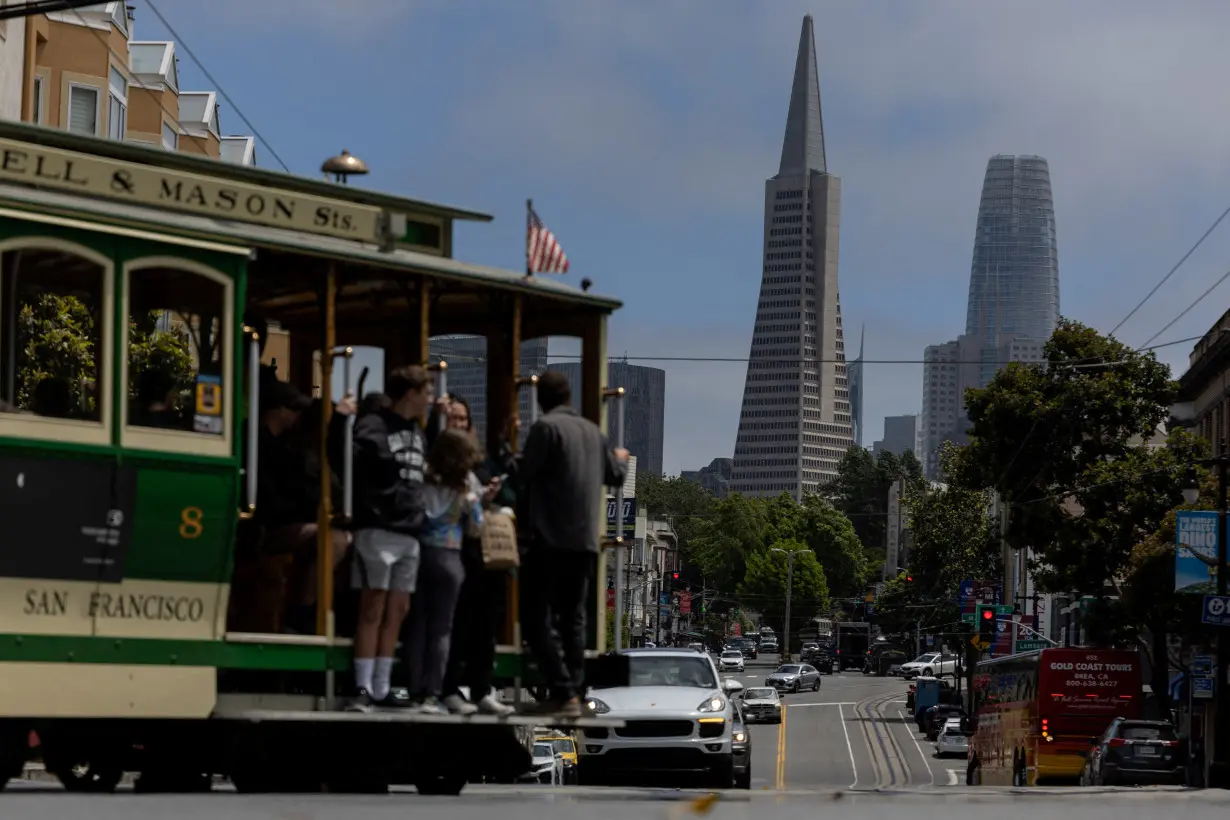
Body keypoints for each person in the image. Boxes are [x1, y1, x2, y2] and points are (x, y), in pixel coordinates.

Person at [516, 370, 629, 716]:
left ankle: (563, 689)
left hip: (549, 541)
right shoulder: (594, 433)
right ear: (569, 398)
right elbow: (616, 476)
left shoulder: (545, 429)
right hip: (584, 544)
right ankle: (576, 692)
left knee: (534, 617)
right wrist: (621, 458)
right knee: (573, 619)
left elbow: (523, 476)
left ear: (541, 400)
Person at [347, 365, 433, 711]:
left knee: (399, 609)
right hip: (379, 528)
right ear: (410, 393)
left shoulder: (417, 431)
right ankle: (362, 685)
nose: (429, 399)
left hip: (409, 532)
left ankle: (382, 684)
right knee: (373, 606)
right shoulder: (373, 425)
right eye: (425, 392)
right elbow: (351, 461)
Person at [439, 397, 515, 716]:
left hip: (483, 553)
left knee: (485, 623)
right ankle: (449, 688)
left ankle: (483, 689)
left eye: (463, 419)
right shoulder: (437, 459)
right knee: (456, 622)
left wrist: (493, 493)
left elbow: (511, 494)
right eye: (452, 419)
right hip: (451, 549)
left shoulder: (480, 460)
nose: (458, 424)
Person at [404, 428, 483, 713]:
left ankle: (414, 688)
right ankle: (433, 692)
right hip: (450, 556)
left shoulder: (423, 480)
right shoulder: (466, 488)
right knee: (442, 629)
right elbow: (477, 527)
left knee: (418, 625)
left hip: (419, 553)